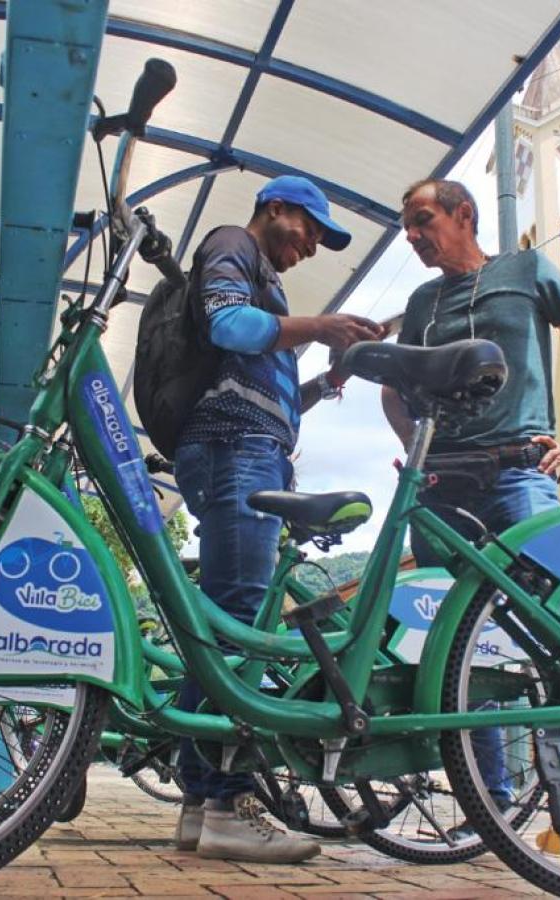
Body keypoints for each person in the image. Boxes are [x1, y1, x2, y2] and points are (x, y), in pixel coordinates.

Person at [381, 177, 560, 863]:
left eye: (424, 220)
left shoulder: (526, 271)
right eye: (407, 227)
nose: (413, 236)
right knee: (459, 652)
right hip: (440, 488)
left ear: (464, 215)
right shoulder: (421, 302)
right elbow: (396, 389)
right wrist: (412, 447)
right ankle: (490, 807)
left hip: (521, 473)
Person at [171, 175, 385, 863]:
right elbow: (227, 322)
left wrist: (322, 381)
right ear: (277, 209)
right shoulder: (235, 245)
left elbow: (264, 383)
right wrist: (320, 326)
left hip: (244, 448)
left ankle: (201, 802)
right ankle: (231, 799)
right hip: (236, 453)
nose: (315, 245)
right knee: (239, 621)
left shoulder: (275, 286)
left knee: (223, 623)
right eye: (312, 228)